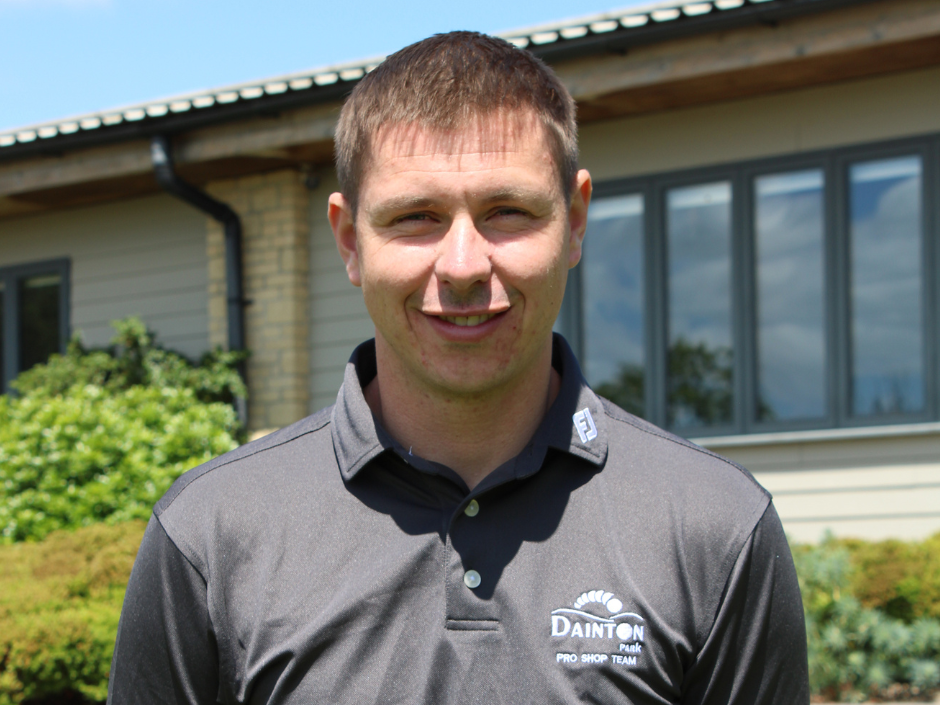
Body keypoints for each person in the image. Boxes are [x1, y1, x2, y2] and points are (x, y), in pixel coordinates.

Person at [108, 31, 809, 704]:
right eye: (416, 217)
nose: (465, 265)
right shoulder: (211, 533)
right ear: (350, 240)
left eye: (508, 211)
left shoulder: (714, 525)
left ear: (575, 220)